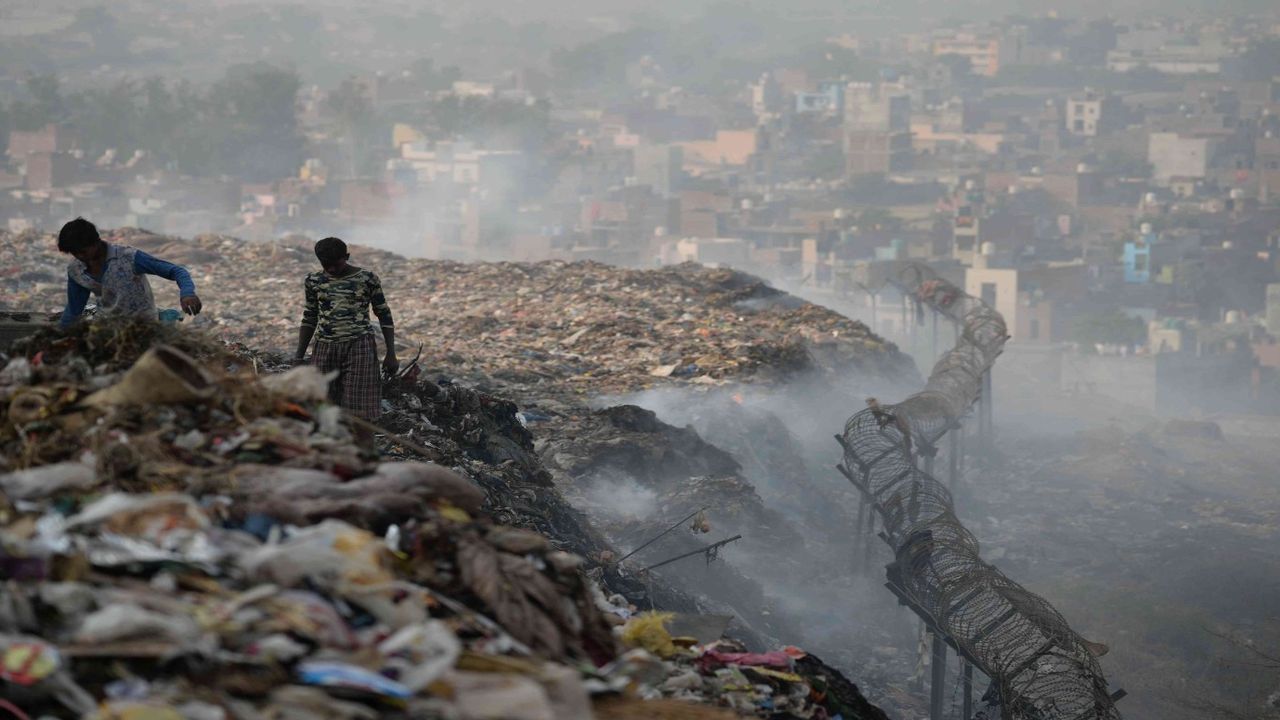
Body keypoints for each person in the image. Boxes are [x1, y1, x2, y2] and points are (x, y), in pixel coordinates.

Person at [295, 237, 398, 440]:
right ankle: (329, 451)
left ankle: (363, 453)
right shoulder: (314, 281)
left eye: (337, 264)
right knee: (321, 406)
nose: (332, 269)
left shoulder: (367, 279)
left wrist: (391, 354)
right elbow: (310, 316)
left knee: (360, 411)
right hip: (324, 347)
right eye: (326, 265)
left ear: (347, 257)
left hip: (360, 347)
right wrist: (299, 356)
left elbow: (384, 315)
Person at [57, 217, 202, 327]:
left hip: (143, 324)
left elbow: (176, 271)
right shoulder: (76, 270)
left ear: (95, 242)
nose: (80, 257)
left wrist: (187, 294)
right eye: (74, 253)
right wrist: (61, 331)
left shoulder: (129, 258)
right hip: (106, 326)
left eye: (83, 251)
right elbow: (75, 308)